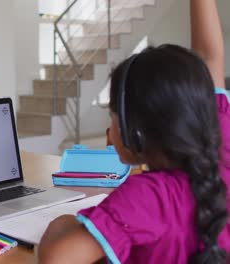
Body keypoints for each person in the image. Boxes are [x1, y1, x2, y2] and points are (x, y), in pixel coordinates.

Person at [38, 0, 229, 263]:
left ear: (134, 130)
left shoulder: (146, 197)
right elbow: (208, 57)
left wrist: (63, 222)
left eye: (112, 114)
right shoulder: (222, 138)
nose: (109, 129)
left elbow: (57, 259)